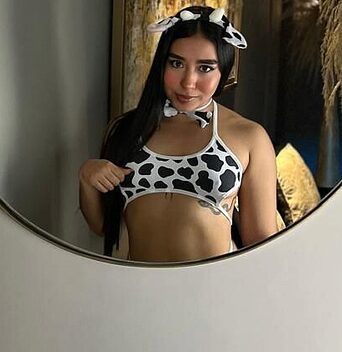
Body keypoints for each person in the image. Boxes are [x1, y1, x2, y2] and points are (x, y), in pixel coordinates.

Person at [79, 6, 278, 262]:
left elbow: (262, 245)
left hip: (215, 286)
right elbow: (102, 227)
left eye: (205, 68)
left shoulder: (250, 137)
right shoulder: (125, 130)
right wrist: (86, 177)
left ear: (224, 71)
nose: (188, 82)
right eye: (176, 63)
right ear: (161, 64)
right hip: (137, 284)